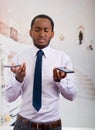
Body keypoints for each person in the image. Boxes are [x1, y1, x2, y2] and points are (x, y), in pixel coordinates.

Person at [4, 14, 77, 130]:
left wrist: (60, 81)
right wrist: (18, 79)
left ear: (52, 33)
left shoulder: (63, 59)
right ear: (30, 32)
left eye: (46, 30)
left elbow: (72, 96)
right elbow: (8, 97)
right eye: (37, 30)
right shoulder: (18, 59)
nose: (42, 34)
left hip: (53, 126)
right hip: (22, 126)